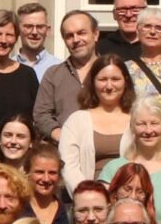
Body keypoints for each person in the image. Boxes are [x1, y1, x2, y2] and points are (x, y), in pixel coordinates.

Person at [57, 55, 137, 189]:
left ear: (126, 81)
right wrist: (88, 195)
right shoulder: (76, 121)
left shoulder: (137, 120)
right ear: (93, 82)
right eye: (103, 79)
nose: (109, 86)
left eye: (115, 79)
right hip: (89, 200)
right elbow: (69, 167)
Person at [33, 10, 103, 139]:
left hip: (105, 152)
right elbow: (41, 114)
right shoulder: (53, 74)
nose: (76, 40)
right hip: (63, 152)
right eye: (69, 36)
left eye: (82, 33)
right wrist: (60, 136)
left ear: (96, 34)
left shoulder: (110, 72)